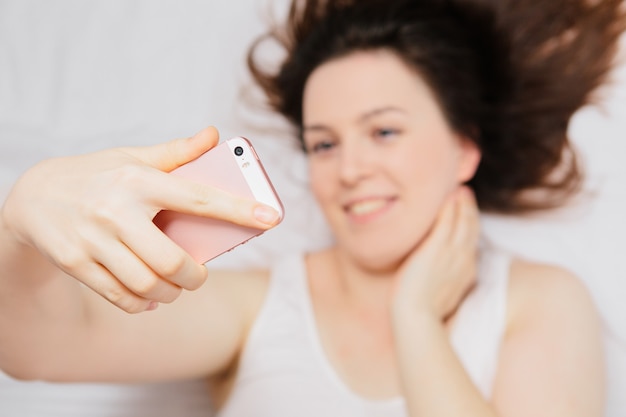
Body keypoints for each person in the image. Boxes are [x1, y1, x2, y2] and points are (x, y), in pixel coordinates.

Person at [0, 0, 624, 416]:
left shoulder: (541, 301)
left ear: (464, 149)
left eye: (384, 132)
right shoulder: (259, 306)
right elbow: (32, 348)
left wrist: (415, 321)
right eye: (324, 143)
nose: (349, 170)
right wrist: (20, 218)